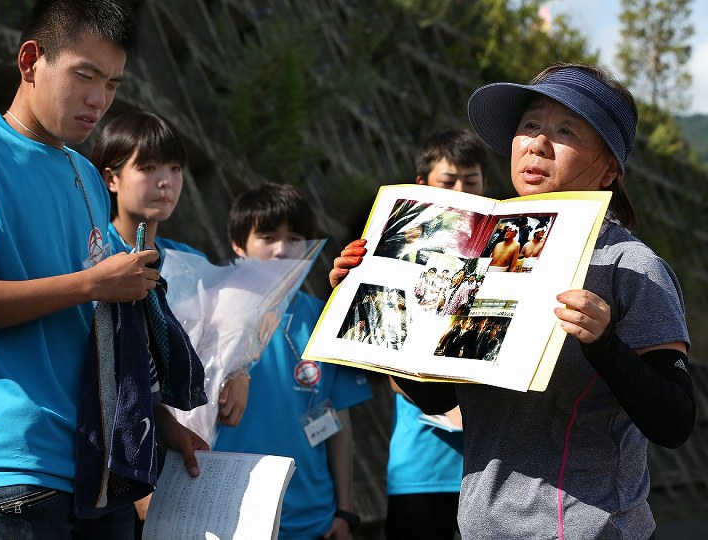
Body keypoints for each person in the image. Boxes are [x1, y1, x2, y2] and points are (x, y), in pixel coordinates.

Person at [330, 63, 694, 540]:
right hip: (481, 526)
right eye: (530, 125)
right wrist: (372, 306)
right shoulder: (493, 253)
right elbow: (439, 397)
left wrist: (605, 344)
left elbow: (674, 422)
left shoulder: (632, 265)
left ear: (609, 168)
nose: (538, 143)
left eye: (566, 131)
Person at [0, 2, 206, 538]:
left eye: (113, 84)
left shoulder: (88, 177)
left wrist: (161, 424)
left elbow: (92, 332)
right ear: (30, 61)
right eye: (84, 76)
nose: (100, 100)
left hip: (99, 472)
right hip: (10, 475)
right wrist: (92, 283)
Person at [90, 109, 250, 536]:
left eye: (175, 168)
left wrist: (239, 370)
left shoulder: (188, 262)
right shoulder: (96, 255)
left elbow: (219, 341)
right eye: (148, 167)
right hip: (110, 462)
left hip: (183, 458)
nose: (166, 181)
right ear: (111, 178)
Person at [213, 182, 372, 540]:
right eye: (267, 237)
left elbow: (339, 419)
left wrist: (343, 511)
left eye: (295, 238)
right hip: (228, 516)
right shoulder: (209, 316)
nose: (282, 249)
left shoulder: (327, 320)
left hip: (312, 521)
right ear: (239, 245)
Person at [387, 128, 489, 540]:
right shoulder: (397, 249)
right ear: (422, 184)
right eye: (449, 182)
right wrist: (449, 410)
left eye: (472, 181)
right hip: (423, 467)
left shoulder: (507, 250)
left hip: (495, 472)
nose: (461, 191)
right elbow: (383, 354)